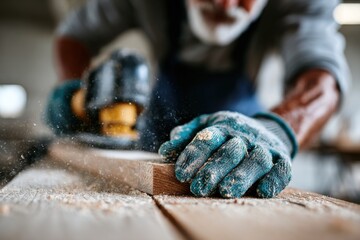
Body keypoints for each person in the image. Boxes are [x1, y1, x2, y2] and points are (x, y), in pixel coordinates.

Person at [46, 0, 349, 198]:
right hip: (156, 132)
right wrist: (78, 93)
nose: (225, 3)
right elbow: (73, 37)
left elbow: (321, 78)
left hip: (246, 136)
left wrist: (276, 130)